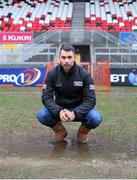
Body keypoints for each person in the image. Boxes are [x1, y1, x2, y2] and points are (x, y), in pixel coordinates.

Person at [36, 44, 102, 143]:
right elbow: (46, 97)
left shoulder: (84, 74)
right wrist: (59, 111)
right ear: (59, 58)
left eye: (69, 57)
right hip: (60, 110)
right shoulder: (52, 74)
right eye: (63, 57)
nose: (66, 61)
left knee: (95, 117)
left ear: (74, 58)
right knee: (42, 114)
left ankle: (82, 133)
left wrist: (75, 113)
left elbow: (91, 100)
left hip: (79, 110)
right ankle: (60, 131)